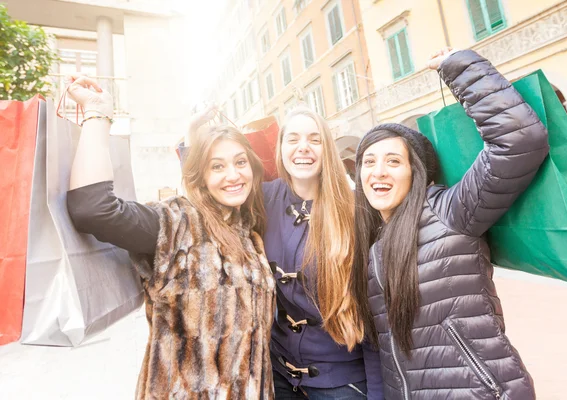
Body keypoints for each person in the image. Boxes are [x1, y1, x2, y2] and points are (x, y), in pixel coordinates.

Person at [351, 48, 548, 399]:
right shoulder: (372, 247)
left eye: (393, 161)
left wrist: (458, 68)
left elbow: (519, 140)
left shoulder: (448, 212)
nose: (378, 171)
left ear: (417, 172)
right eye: (368, 162)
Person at [65, 76, 276, 399]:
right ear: (201, 177)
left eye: (240, 162)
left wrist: (195, 130)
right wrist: (97, 114)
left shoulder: (249, 233)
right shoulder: (178, 223)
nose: (233, 175)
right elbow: (93, 209)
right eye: (217, 167)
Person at [263, 106, 383, 399]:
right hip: (279, 377)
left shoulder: (357, 210)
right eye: (292, 139)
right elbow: (211, 194)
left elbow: (376, 311)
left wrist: (380, 392)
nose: (303, 147)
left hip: (342, 382)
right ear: (280, 149)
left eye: (314, 139)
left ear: (326, 148)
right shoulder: (264, 198)